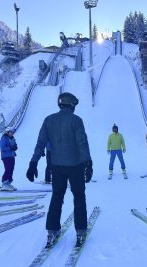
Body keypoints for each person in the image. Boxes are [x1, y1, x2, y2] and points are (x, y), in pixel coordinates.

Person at [26, 92, 93, 247]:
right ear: (71, 105)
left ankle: (52, 229)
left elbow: (40, 143)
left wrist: (33, 162)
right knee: (79, 197)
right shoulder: (76, 120)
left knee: (57, 197)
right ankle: (80, 230)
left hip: (57, 167)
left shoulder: (49, 120)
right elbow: (82, 142)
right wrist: (88, 163)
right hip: (75, 166)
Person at [0, 127, 18, 191]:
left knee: (11, 169)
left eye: (13, 132)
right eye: (11, 132)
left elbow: (14, 145)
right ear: (7, 132)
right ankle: (4, 183)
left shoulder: (12, 138)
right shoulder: (4, 138)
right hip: (6, 156)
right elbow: (2, 147)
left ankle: (9, 182)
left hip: (12, 156)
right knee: (8, 169)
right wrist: (10, 148)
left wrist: (15, 147)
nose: (12, 133)